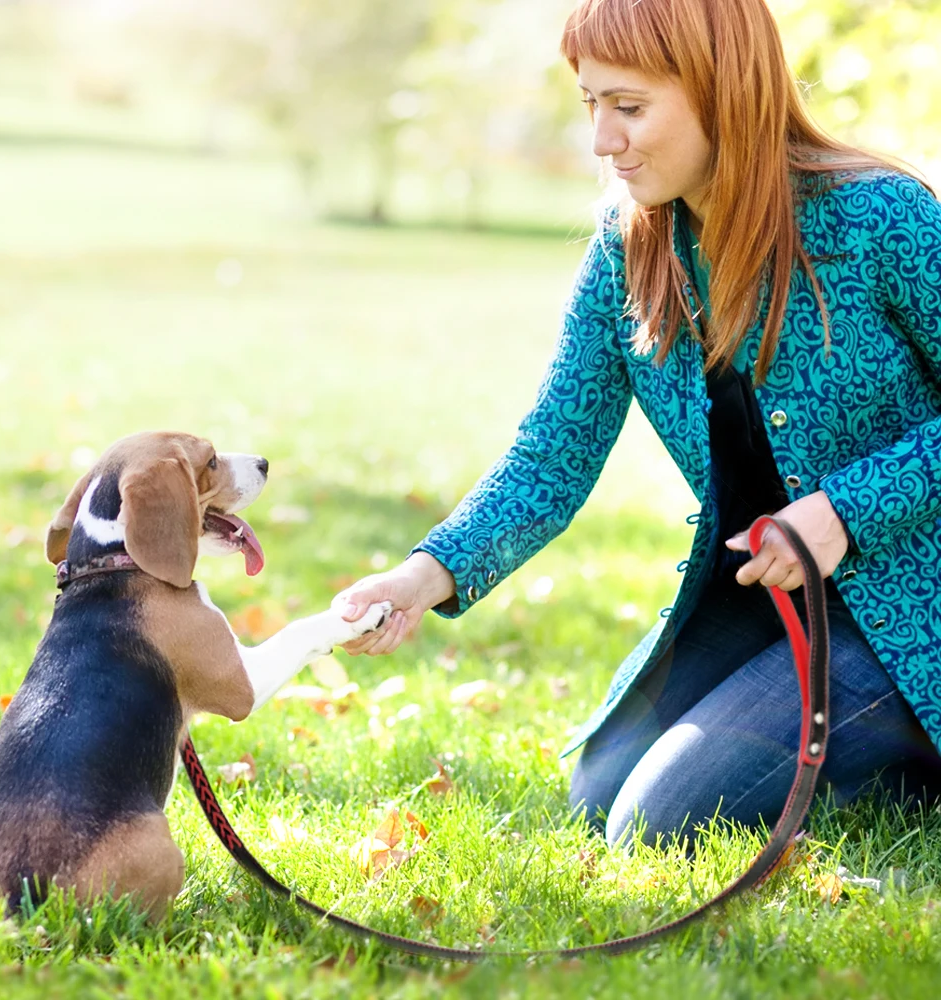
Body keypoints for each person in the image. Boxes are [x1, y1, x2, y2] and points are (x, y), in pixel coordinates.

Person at [336, 0, 941, 848]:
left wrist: (844, 512)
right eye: (591, 104)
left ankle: (913, 746)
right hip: (765, 605)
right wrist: (425, 575)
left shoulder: (882, 219)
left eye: (629, 107)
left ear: (722, 91)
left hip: (912, 609)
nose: (601, 140)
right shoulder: (628, 248)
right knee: (599, 793)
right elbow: (554, 450)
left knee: (657, 823)